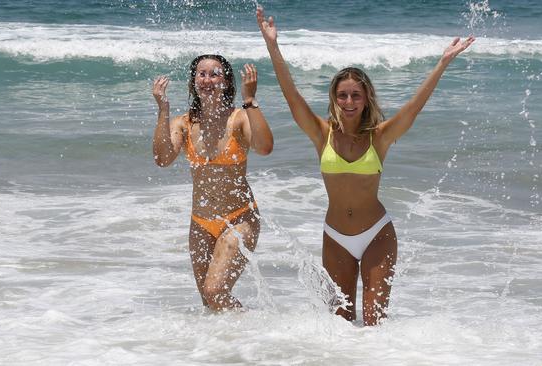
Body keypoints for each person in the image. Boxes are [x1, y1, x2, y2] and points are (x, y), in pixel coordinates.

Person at [256, 7, 474, 325]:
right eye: (342, 95)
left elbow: (413, 109)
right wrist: (273, 46)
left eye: (356, 95)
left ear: (366, 99)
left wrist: (442, 63)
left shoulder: (380, 137)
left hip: (377, 235)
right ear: (333, 98)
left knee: (374, 323)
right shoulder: (321, 133)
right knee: (341, 322)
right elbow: (292, 97)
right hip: (335, 237)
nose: (348, 102)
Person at [152, 54, 273, 311]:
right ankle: (231, 347)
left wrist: (250, 101)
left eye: (214, 74)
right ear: (194, 82)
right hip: (200, 223)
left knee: (215, 291)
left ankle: (254, 331)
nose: (207, 80)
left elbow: (264, 147)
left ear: (227, 82)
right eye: (201, 74)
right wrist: (163, 111)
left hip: (239, 218)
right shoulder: (183, 124)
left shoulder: (239, 118)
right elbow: (162, 159)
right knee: (209, 302)